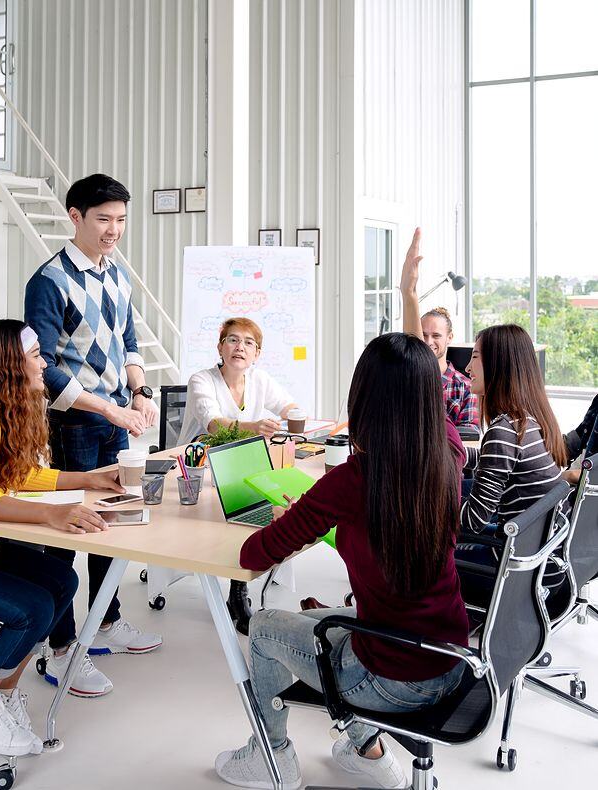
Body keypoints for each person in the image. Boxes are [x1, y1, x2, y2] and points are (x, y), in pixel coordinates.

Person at [215, 333, 469, 790]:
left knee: (267, 626)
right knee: (316, 619)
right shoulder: (448, 452)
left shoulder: (352, 482)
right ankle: (367, 753)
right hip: (451, 660)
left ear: (364, 398)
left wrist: (298, 514)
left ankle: (272, 759)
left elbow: (256, 553)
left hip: (393, 676)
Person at [0, 320, 124, 756]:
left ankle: (2, 692)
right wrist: (53, 516)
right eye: (37, 354)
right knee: (36, 605)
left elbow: (17, 475)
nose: (45, 362)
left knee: (62, 580)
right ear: (9, 362)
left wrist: (90, 479)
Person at [24, 173, 161, 697]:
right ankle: (57, 646)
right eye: (103, 219)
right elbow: (47, 367)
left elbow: (129, 339)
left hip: (116, 418)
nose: (114, 230)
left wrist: (141, 392)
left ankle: (105, 622)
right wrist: (109, 409)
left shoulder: (118, 275)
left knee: (113, 520)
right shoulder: (49, 280)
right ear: (75, 216)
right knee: (67, 532)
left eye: (122, 220)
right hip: (76, 421)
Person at [399, 228, 567, 603]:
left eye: (475, 356)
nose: (468, 363)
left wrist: (426, 513)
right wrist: (464, 458)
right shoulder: (528, 419)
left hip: (512, 574)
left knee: (410, 551)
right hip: (545, 565)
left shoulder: (504, 430)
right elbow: (497, 468)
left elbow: (473, 523)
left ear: (498, 367)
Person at [179, 317, 298, 636]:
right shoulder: (201, 379)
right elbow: (212, 424)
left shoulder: (260, 380)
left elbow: (289, 406)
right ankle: (239, 591)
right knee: (252, 502)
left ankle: (238, 586)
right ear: (220, 347)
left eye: (248, 342)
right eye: (232, 340)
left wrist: (296, 417)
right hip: (196, 467)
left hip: (242, 468)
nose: (239, 347)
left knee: (268, 499)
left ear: (257, 353)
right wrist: (254, 426)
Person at [421, 305, 478, 429]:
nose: (428, 341)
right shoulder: (404, 379)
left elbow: (470, 435)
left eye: (436, 336)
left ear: (449, 337)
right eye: (423, 335)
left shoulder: (466, 387)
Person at [562, 393, 597, 484]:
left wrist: (563, 477)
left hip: (584, 488)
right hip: (572, 478)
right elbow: (579, 437)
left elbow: (589, 477)